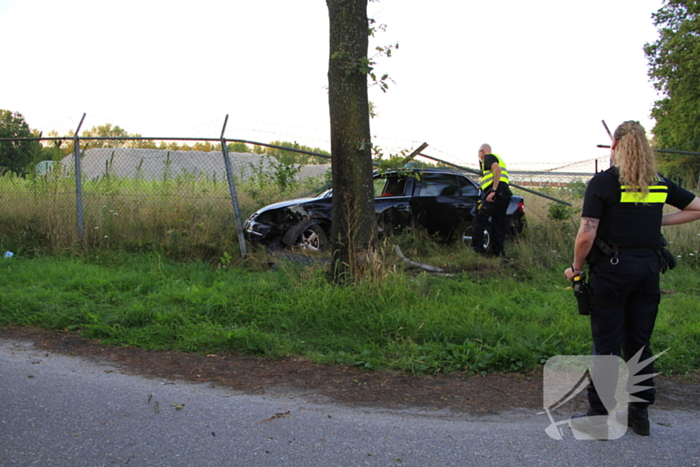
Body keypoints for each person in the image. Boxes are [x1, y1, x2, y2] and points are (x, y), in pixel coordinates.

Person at [563, 120, 700, 438]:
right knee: (639, 343)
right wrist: (655, 222)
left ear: (614, 147)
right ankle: (639, 416)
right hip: (648, 271)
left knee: (607, 344)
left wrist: (576, 268)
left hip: (612, 272)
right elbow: (697, 208)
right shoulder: (659, 183)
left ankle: (598, 417)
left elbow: (586, 234)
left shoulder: (604, 183)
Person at [472, 144, 512, 256]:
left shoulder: (488, 157)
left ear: (482, 152)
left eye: (479, 154)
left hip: (496, 194)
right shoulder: (499, 159)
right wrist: (482, 186)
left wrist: (493, 190)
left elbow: (497, 170)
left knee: (478, 221)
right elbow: (494, 177)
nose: (479, 157)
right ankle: (498, 252)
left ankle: (478, 251)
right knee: (498, 224)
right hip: (504, 194)